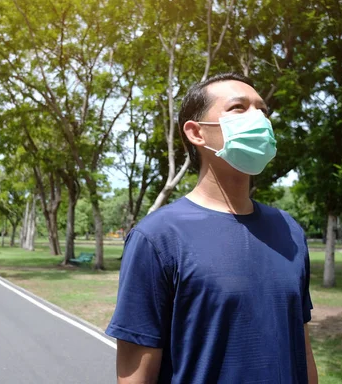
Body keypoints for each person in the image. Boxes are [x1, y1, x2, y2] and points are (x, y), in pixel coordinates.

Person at [106, 73, 318, 383]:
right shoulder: (157, 237)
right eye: (238, 107)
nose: (259, 118)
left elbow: (301, 346)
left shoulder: (289, 231)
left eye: (263, 110)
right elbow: (136, 374)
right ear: (196, 133)